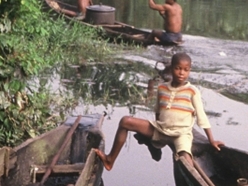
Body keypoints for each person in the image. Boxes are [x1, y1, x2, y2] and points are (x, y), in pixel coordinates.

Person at [94, 53, 223, 171]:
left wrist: (211, 140)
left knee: (185, 159)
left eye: (186, 70)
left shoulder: (192, 91)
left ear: (189, 71)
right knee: (125, 121)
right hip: (160, 130)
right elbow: (158, 111)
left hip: (181, 134)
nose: (181, 73)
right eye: (178, 68)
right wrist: (155, 129)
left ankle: (193, 180)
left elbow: (202, 117)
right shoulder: (162, 87)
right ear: (171, 68)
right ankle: (110, 160)